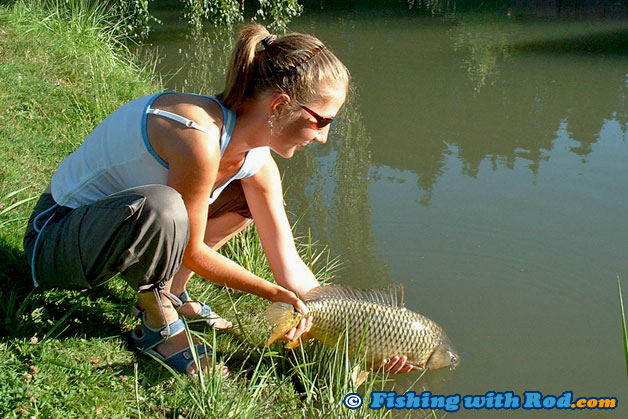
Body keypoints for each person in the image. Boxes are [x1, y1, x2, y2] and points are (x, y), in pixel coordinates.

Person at [23, 24, 414, 375]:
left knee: (242, 202)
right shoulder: (196, 138)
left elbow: (288, 263)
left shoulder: (256, 160)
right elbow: (191, 248)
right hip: (55, 242)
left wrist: (359, 336)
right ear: (279, 106)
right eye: (322, 121)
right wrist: (270, 293)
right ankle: (158, 325)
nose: (323, 137)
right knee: (164, 208)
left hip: (112, 237)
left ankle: (172, 292)